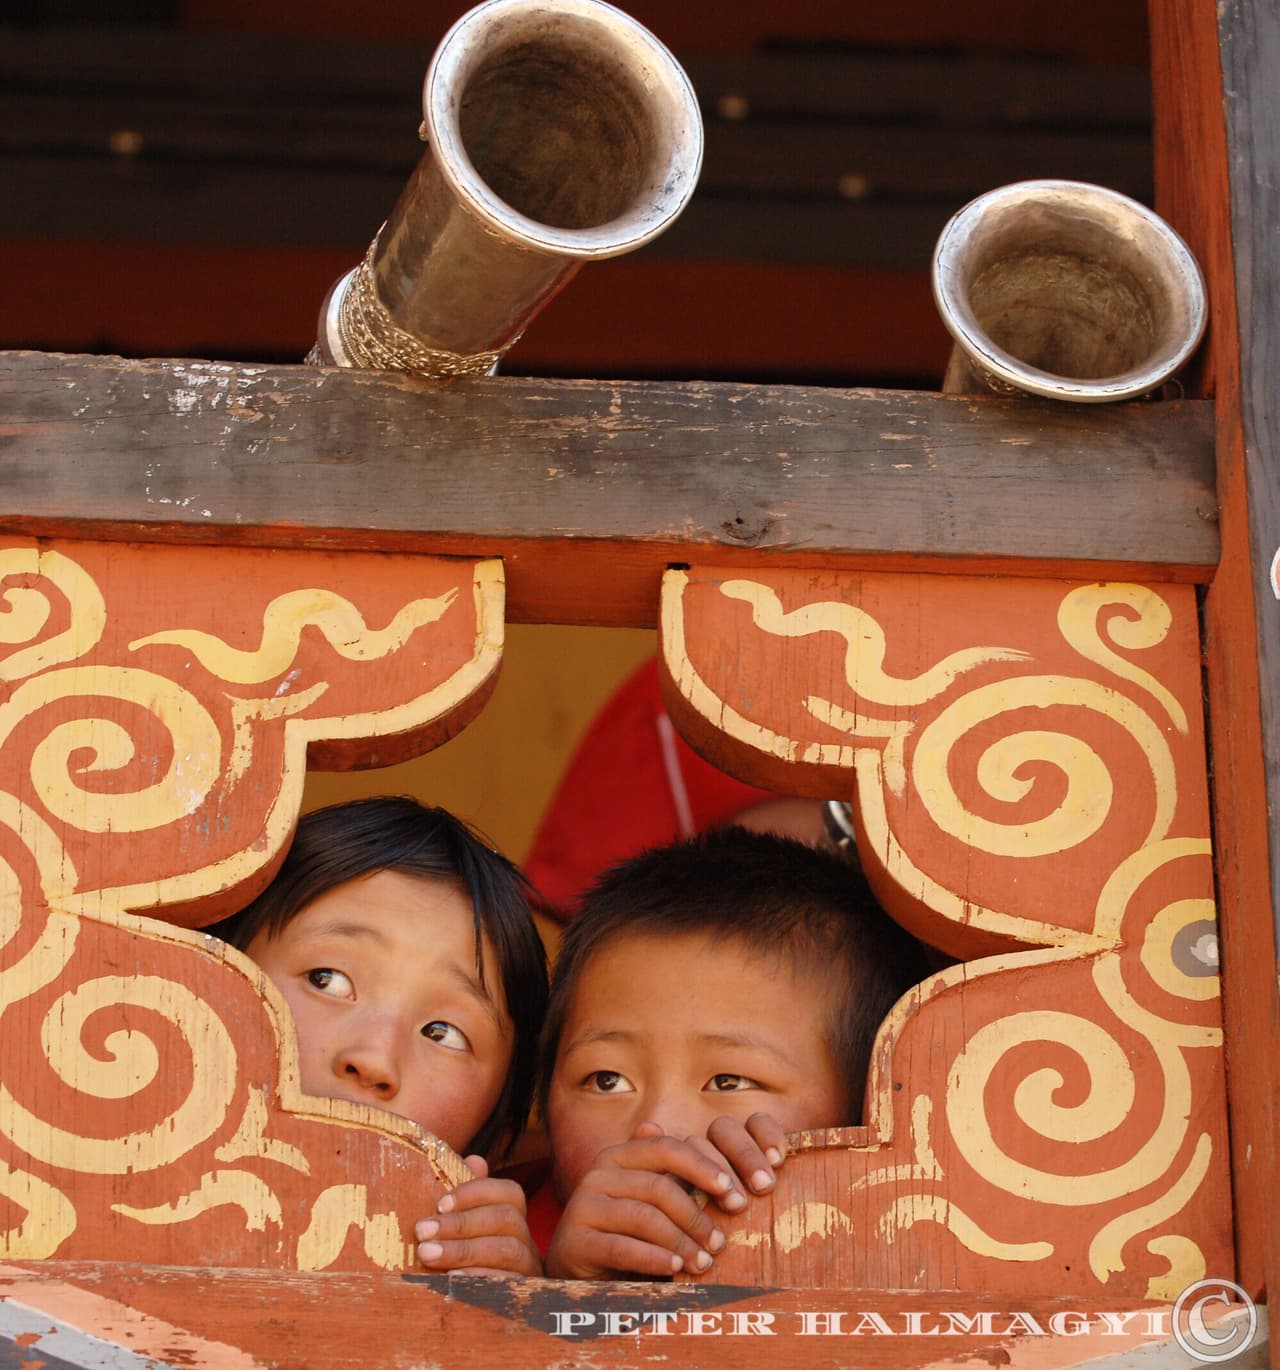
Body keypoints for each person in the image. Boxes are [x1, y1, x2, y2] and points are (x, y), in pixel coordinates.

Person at [531, 825, 930, 1280]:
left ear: (867, 1118)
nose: (658, 1128)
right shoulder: (497, 1258)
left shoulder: (922, 1270)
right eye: (607, 1080)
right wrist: (562, 1297)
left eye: (728, 1082)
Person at [209, 796, 549, 1277]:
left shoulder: (492, 1290)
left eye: (442, 1032)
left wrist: (512, 1325)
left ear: (497, 1133)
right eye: (327, 979)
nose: (373, 1060)